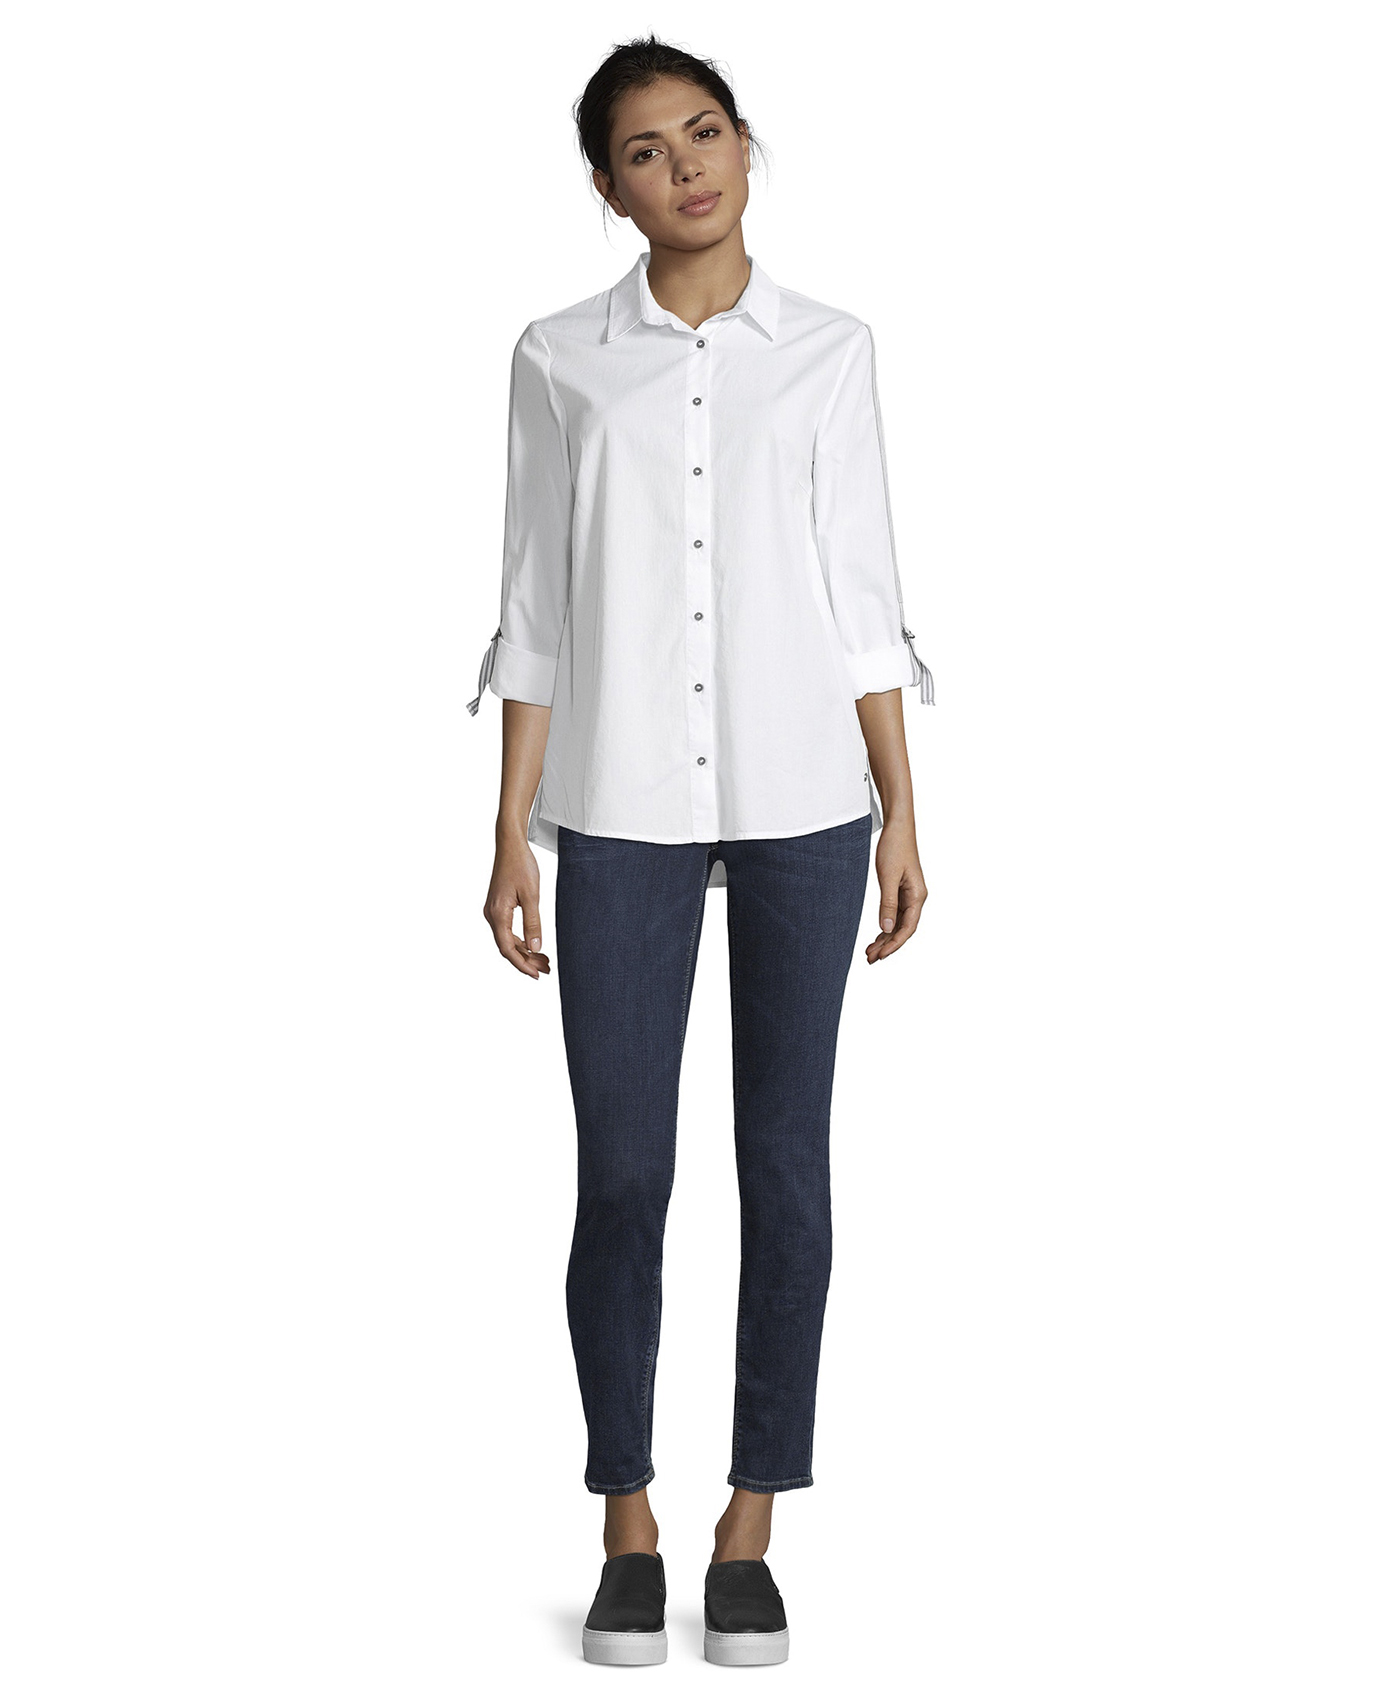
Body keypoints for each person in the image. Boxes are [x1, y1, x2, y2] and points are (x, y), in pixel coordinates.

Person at [469, 35, 934, 1667]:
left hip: (809, 792)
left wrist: (903, 804)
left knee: (785, 1168)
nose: (687, 169)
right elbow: (538, 600)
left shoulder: (830, 351)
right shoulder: (557, 361)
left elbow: (861, 587)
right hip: (615, 799)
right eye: (647, 152)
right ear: (609, 190)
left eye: (706, 133)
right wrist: (512, 827)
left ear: (746, 145)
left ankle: (750, 1524)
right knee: (624, 1172)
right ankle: (626, 1520)